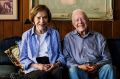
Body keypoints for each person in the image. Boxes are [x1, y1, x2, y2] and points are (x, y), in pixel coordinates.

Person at [63, 9, 115, 79]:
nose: (80, 22)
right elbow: (67, 59)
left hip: (98, 69)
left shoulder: (99, 37)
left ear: (88, 21)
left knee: (108, 68)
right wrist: (79, 66)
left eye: (82, 19)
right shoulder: (68, 38)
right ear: (73, 24)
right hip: (80, 70)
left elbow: (107, 58)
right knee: (73, 70)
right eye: (77, 20)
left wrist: (96, 65)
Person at [19, 5, 65, 79]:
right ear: (33, 19)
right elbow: (23, 59)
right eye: (38, 17)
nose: (42, 21)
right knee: (43, 75)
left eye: (45, 17)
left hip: (52, 66)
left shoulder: (55, 33)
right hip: (34, 68)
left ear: (48, 18)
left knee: (59, 72)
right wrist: (38, 66)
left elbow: (61, 56)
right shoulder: (26, 35)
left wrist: (56, 65)